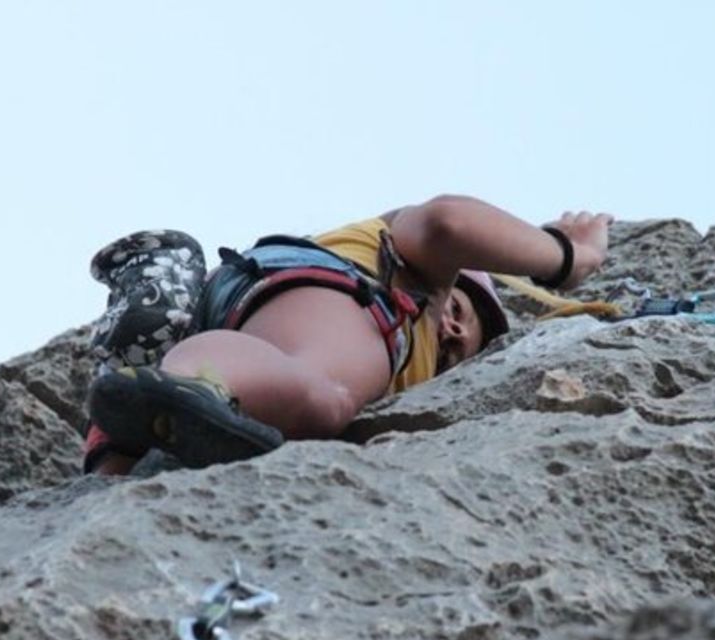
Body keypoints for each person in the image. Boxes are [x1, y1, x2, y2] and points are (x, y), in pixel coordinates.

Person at [84, 195, 613, 474]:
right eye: (460, 310)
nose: (450, 329)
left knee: (132, 458)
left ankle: (138, 412)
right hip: (329, 293)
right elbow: (448, 223)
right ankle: (188, 380)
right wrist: (569, 258)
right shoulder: (406, 264)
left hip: (239, 310)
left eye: (464, 349)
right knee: (325, 395)